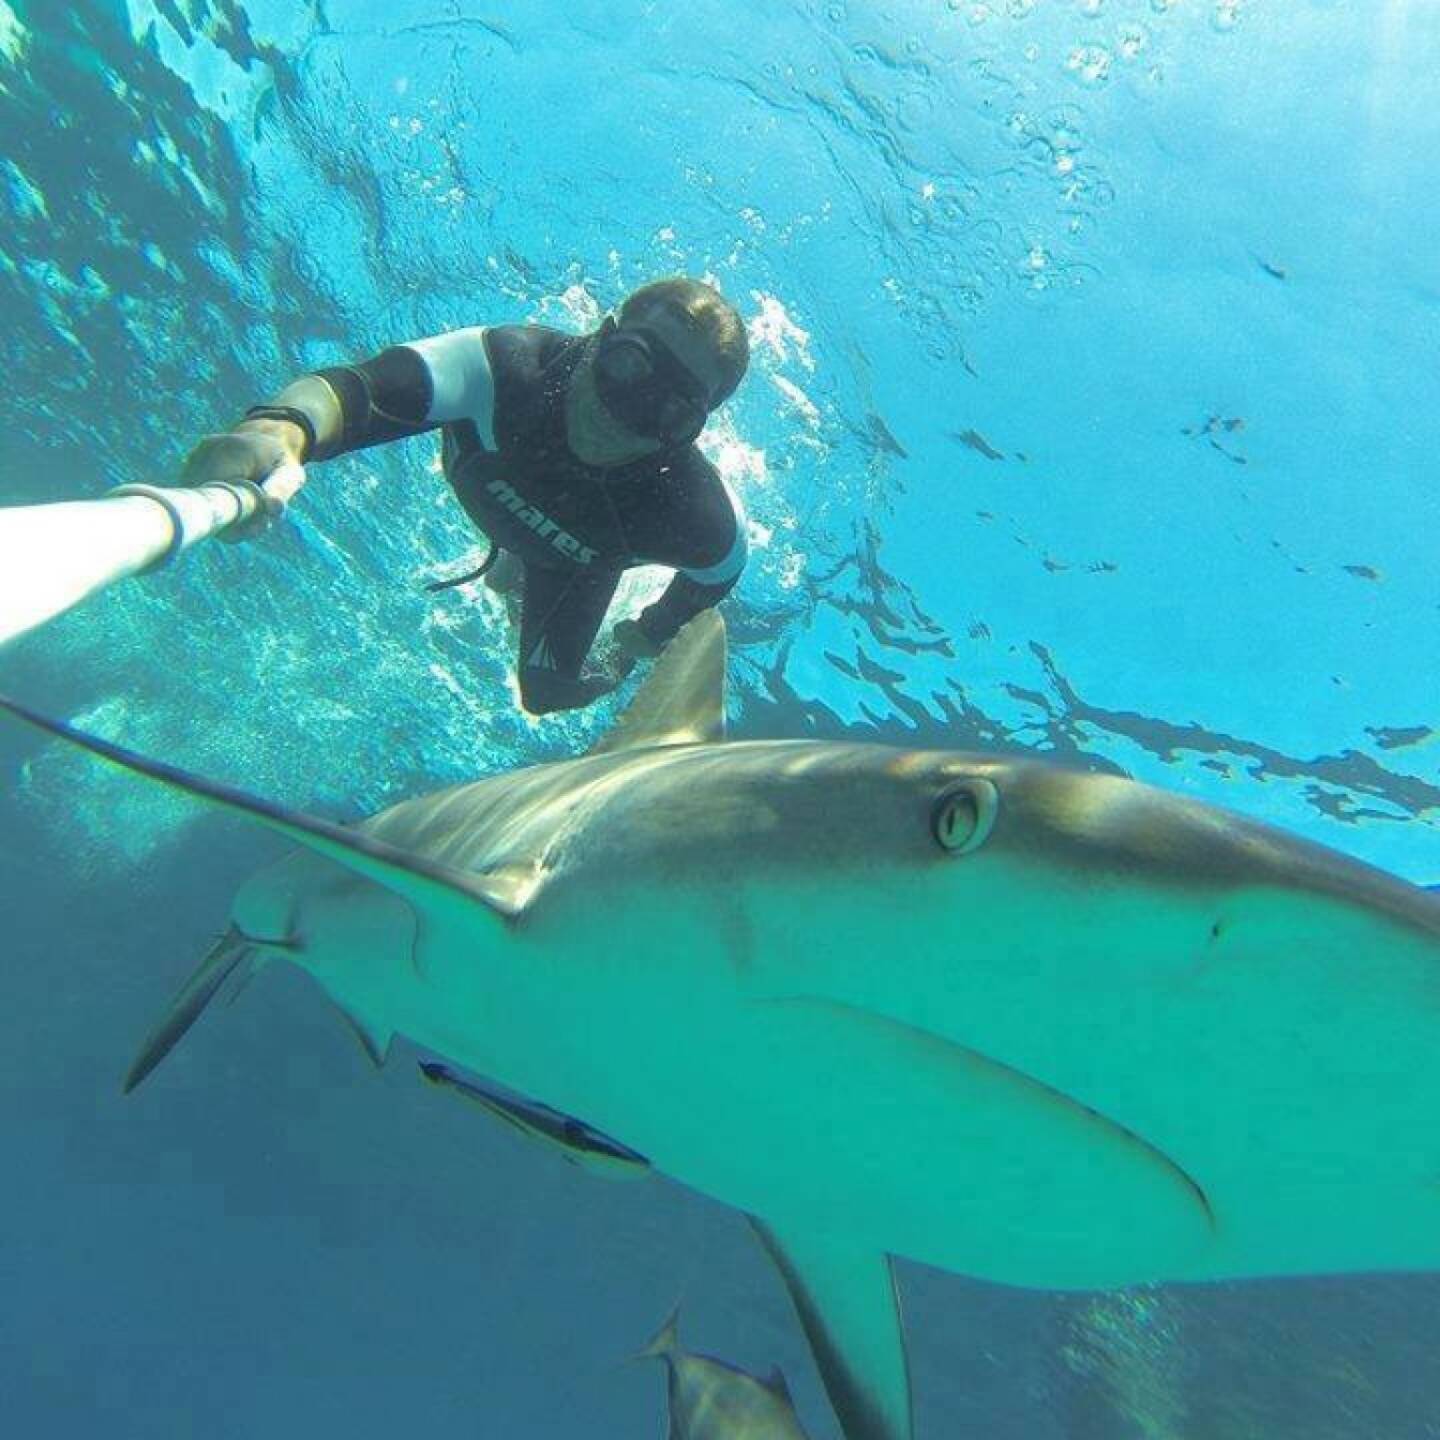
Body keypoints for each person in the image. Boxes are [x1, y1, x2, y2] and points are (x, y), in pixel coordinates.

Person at [181, 277, 750, 715]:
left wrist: (642, 636)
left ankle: (528, 581)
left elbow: (720, 573)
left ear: (692, 430)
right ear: (601, 338)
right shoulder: (508, 369)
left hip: (575, 567)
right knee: (512, 576)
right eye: (631, 366)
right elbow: (354, 391)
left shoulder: (692, 512)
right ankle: (511, 567)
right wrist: (281, 430)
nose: (624, 414)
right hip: (542, 533)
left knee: (546, 696)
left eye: (669, 410)